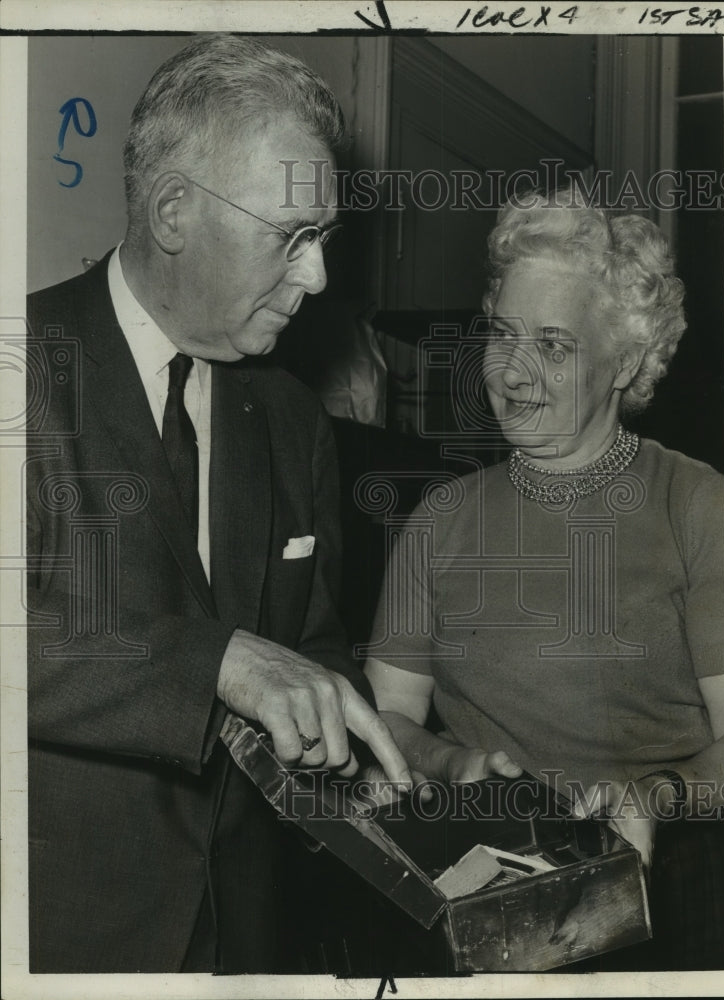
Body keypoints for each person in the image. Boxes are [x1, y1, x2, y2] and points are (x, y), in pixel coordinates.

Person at [26, 33, 411, 974]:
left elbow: (309, 651)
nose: (318, 277)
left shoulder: (289, 416)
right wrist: (219, 662)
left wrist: (387, 759)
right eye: (292, 238)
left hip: (250, 945)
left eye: (325, 239)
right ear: (171, 212)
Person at [364, 190, 724, 969]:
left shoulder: (700, 506)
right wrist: (449, 763)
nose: (516, 370)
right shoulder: (438, 520)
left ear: (625, 361)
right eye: (503, 334)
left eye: (556, 346)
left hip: (672, 894)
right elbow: (389, 722)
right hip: (486, 896)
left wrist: (652, 798)